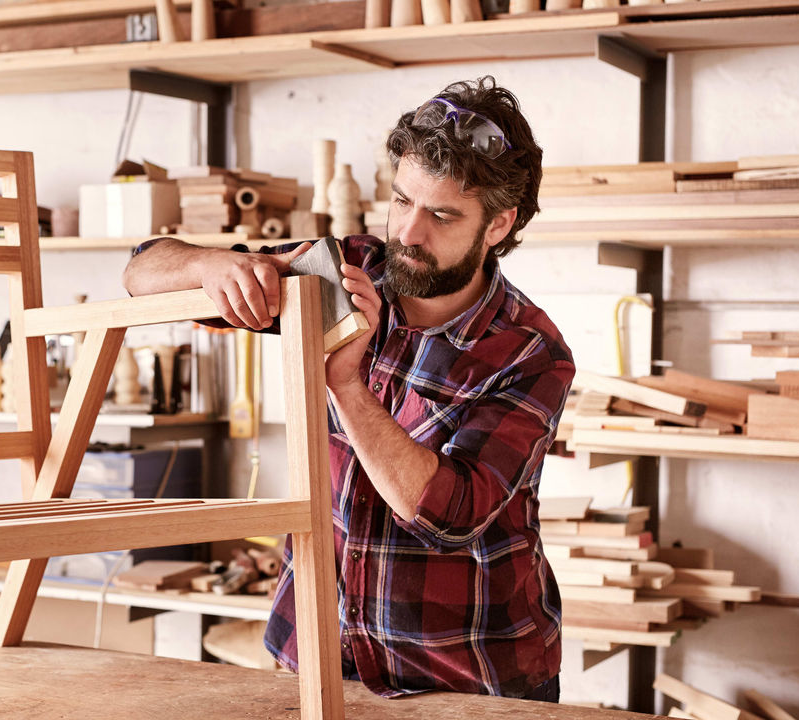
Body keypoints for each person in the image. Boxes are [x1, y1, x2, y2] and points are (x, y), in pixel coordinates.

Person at [121, 77, 573, 702]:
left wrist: (346, 386)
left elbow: (448, 515)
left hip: (465, 678)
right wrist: (210, 265)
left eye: (442, 214)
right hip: (317, 661)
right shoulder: (340, 270)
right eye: (401, 200)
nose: (409, 232)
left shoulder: (528, 351)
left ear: (498, 224)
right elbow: (141, 270)